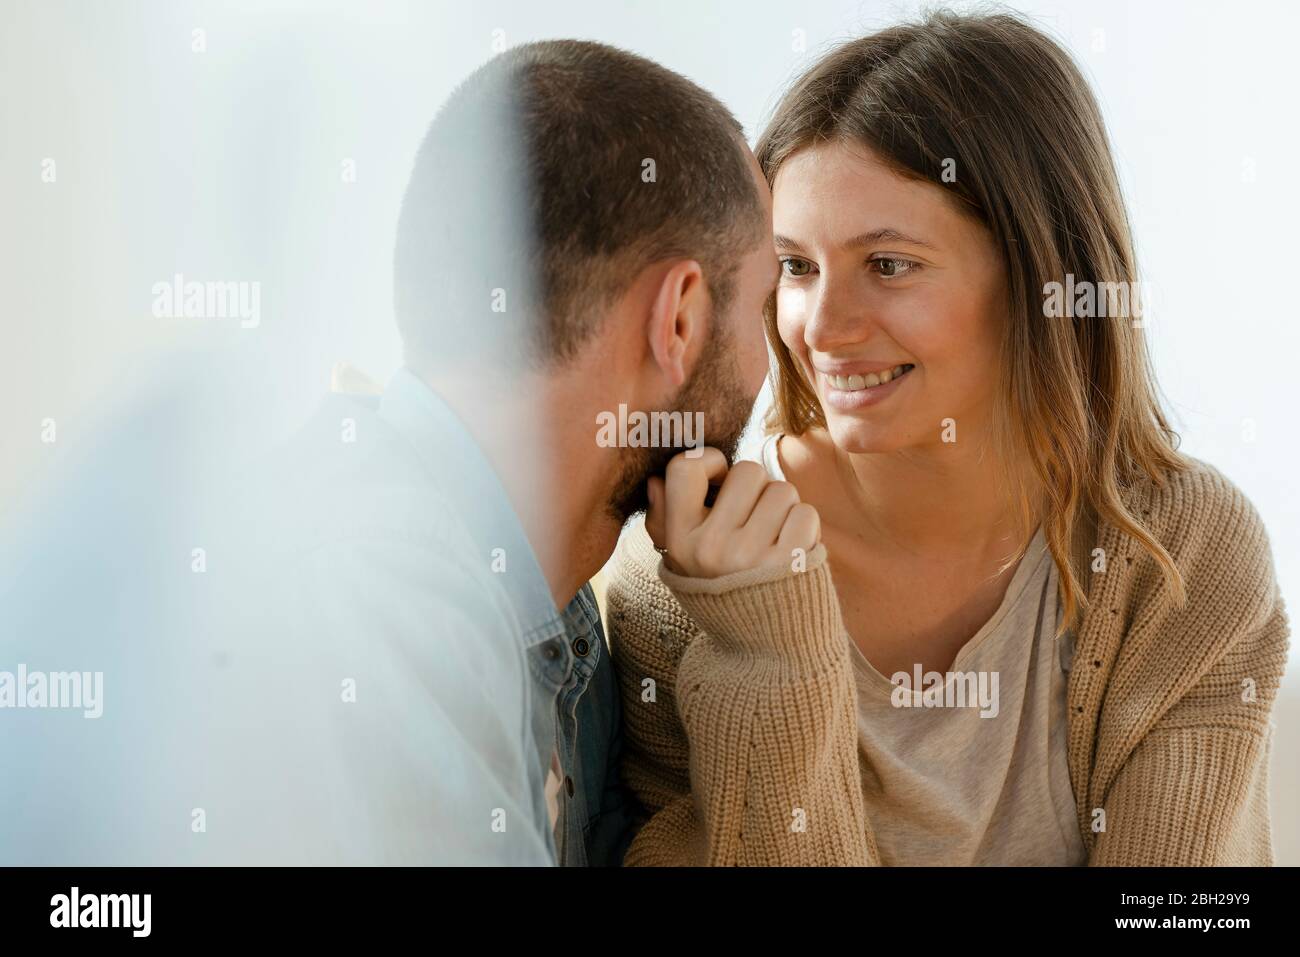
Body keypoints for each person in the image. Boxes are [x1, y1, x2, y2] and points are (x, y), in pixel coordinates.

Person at [0, 39, 780, 866]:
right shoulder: (383, 608)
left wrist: (766, 651)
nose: (783, 356)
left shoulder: (550, 608)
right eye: (766, 301)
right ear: (682, 320)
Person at [605, 10, 1291, 866]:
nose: (821, 327)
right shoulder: (686, 578)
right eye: (796, 266)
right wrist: (765, 650)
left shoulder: (1180, 554)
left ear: (1044, 276)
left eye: (888, 264)